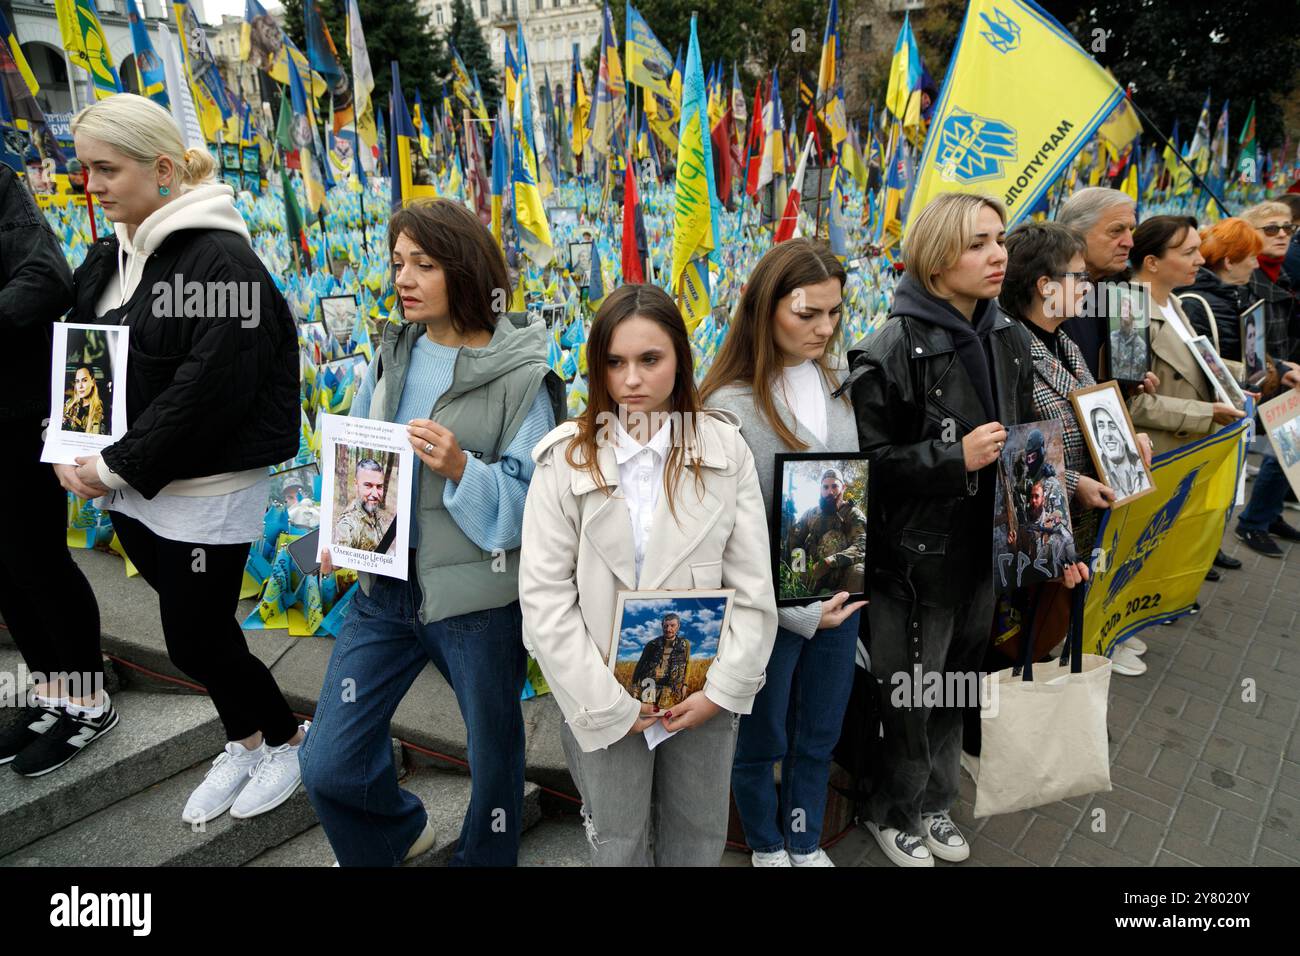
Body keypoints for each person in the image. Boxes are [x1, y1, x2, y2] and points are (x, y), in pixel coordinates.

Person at [299, 198, 563, 867]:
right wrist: (339, 528)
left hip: (476, 602)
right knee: (327, 761)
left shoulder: (522, 377)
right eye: (397, 264)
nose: (404, 279)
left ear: (464, 269)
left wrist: (461, 469)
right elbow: (360, 456)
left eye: (423, 264)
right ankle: (392, 834)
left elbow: (533, 504)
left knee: (495, 761)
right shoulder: (393, 354)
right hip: (384, 591)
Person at [64, 94, 308, 818]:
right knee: (201, 632)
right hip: (133, 481)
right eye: (86, 169)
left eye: (107, 169)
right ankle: (247, 739)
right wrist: (70, 441)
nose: (92, 185)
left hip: (203, 486)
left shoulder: (222, 261)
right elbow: (84, 355)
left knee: (195, 638)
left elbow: (209, 391)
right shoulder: (115, 252)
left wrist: (111, 465)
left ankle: (288, 739)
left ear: (164, 170)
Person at [848, 193, 1087, 867]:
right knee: (911, 695)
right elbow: (864, 468)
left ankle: (935, 802)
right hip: (915, 563)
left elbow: (1028, 446)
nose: (997, 255)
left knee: (958, 685)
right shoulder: (891, 349)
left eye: (999, 239)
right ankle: (890, 810)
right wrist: (950, 459)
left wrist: (1052, 542)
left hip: (985, 553)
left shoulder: (1005, 333)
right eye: (978, 243)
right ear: (935, 259)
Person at [519, 283, 778, 867]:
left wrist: (722, 689)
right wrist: (606, 700)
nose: (631, 379)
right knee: (617, 839)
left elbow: (752, 586)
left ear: (680, 358)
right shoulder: (564, 459)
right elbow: (545, 597)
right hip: (600, 688)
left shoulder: (725, 450)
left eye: (649, 359)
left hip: (701, 690)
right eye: (615, 362)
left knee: (698, 833)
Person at [700, 238, 866, 868]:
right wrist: (794, 611)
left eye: (834, 312)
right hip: (767, 612)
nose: (824, 327)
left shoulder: (837, 382)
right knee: (760, 736)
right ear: (765, 309)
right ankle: (766, 842)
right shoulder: (728, 408)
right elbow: (724, 538)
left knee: (820, 731)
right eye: (807, 314)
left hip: (839, 599)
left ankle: (804, 838)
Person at [998, 220, 1152, 676]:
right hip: (1035, 531)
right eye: (1078, 276)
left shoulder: (1064, 341)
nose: (1088, 286)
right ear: (1045, 285)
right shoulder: (1010, 348)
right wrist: (1072, 483)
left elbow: (1088, 415)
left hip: (1076, 528)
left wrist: (1128, 439)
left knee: (1048, 633)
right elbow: (1011, 446)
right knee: (1015, 644)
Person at [0, 161, 106, 777]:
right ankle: (52, 691)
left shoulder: (1, 185)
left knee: (35, 560)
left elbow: (46, 278)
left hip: (15, 414)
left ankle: (88, 699)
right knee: (3, 569)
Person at [1056, 187, 1137, 379]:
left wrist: (1130, 387)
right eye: (1116, 231)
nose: (1129, 242)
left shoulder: (1122, 292)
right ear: (1075, 234)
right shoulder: (1051, 298)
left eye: (1131, 230)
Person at [785, 469, 867, 595]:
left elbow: (862, 545)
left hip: (840, 571)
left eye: (834, 486)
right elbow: (794, 540)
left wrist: (829, 562)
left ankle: (844, 600)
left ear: (843, 488)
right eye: (826, 487)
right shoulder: (811, 513)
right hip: (811, 572)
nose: (830, 492)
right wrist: (800, 569)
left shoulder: (853, 514)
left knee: (859, 571)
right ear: (821, 489)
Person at [630, 614, 691, 710]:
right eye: (666, 626)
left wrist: (685, 684)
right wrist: (634, 686)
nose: (668, 629)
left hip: (671, 686)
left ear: (678, 626)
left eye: (672, 625)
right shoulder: (652, 644)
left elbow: (687, 663)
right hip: (650, 685)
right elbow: (640, 664)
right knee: (648, 711)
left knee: (666, 713)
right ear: (662, 626)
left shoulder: (684, 644)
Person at [1090, 405, 1149, 498]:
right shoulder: (1101, 477)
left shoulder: (1141, 469)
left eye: (1113, 426)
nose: (1107, 434)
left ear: (1123, 434)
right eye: (1101, 426)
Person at [332, 457, 389, 552]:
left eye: (379, 486)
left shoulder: (373, 511)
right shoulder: (347, 526)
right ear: (356, 484)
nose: (375, 494)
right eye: (368, 485)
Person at [62, 364, 107, 434]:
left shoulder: (100, 410)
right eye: (77, 381)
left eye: (84, 380)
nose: (80, 386)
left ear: (93, 382)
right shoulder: (69, 404)